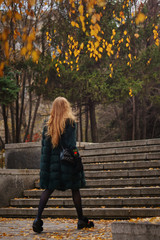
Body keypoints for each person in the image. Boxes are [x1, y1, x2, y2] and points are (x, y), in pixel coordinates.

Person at [32, 97, 94, 233]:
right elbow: (71, 145)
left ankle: (37, 220)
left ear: (54, 108)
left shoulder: (47, 126)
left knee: (47, 190)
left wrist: (46, 168)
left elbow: (45, 150)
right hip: (67, 164)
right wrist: (77, 159)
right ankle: (81, 219)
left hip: (53, 166)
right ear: (66, 107)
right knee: (75, 189)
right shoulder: (70, 122)